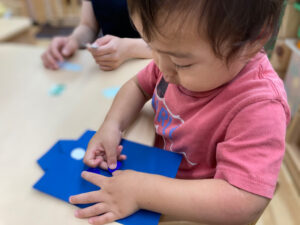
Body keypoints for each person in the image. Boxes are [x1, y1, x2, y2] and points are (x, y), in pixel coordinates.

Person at [69, 0, 290, 224]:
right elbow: (138, 85)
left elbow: (244, 202)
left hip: (193, 212)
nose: (162, 69)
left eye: (181, 63)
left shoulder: (260, 105)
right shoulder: (173, 56)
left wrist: (142, 191)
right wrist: (112, 125)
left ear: (252, 41)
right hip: (153, 173)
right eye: (151, 47)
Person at [41, 0, 152, 71]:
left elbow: (169, 44)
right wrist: (73, 40)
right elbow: (88, 26)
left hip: (155, 68)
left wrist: (130, 48)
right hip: (110, 71)